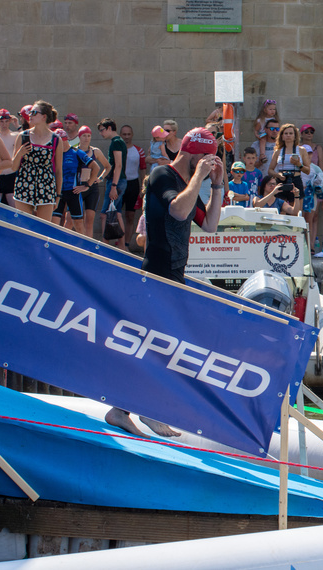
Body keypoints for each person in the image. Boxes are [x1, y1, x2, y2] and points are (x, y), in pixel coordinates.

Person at [105, 127, 224, 439]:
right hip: (157, 273)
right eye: (207, 159)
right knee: (158, 346)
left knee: (159, 345)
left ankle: (127, 409)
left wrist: (218, 185)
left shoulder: (187, 184)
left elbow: (210, 225)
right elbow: (178, 210)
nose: (210, 165)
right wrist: (199, 176)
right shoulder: (162, 175)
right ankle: (137, 409)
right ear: (195, 155)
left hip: (174, 275)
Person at [12, 100, 64, 222]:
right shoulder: (23, 136)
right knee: (23, 227)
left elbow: (58, 171)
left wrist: (57, 196)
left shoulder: (56, 140)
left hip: (46, 187)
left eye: (34, 112)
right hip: (24, 184)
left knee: (43, 229)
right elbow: (13, 167)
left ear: (44, 117)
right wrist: (20, 153)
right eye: (30, 112)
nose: (30, 115)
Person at [51, 129, 100, 236]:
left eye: (62, 141)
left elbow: (95, 167)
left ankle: (84, 249)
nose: (60, 145)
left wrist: (87, 185)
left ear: (66, 140)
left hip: (73, 192)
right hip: (58, 192)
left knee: (78, 224)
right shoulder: (54, 154)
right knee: (53, 223)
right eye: (57, 143)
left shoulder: (77, 153)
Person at [75, 125, 110, 238]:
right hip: (77, 188)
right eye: (84, 135)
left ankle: (88, 248)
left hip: (91, 188)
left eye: (89, 136)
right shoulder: (74, 151)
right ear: (79, 137)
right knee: (72, 219)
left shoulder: (95, 151)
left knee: (89, 221)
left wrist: (100, 178)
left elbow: (108, 166)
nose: (86, 138)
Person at [97, 118, 127, 250]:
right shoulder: (118, 142)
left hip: (117, 181)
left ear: (109, 128)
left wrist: (114, 186)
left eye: (102, 130)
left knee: (105, 214)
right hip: (117, 180)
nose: (101, 133)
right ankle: (121, 246)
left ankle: (105, 247)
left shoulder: (116, 142)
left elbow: (118, 165)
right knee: (117, 213)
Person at [120, 124, 147, 250]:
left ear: (132, 135)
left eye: (128, 134)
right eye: (124, 134)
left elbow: (142, 169)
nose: (126, 137)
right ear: (120, 135)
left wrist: (143, 187)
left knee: (130, 216)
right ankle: (119, 243)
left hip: (133, 184)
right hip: (120, 184)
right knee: (116, 215)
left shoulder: (139, 150)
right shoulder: (117, 149)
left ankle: (126, 244)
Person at [267, 123, 310, 204]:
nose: (288, 135)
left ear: (295, 136)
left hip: (296, 179)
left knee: (296, 211)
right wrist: (278, 175)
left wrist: (298, 164)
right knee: (281, 210)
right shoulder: (278, 151)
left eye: (291, 133)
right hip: (281, 180)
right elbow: (270, 170)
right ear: (282, 136)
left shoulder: (301, 150)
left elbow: (308, 170)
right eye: (286, 133)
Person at [0, 109, 20, 207]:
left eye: (6, 121)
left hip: (10, 175)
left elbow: (27, 139)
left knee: (14, 208)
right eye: (1, 121)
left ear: (10, 121)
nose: (4, 124)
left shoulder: (15, 135)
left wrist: (18, 125)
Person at [254, 99, 279, 164]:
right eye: (270, 109)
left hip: (272, 135)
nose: (272, 111)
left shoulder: (274, 119)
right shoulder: (260, 120)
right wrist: (257, 135)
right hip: (263, 134)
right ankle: (262, 155)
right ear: (265, 110)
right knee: (263, 139)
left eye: (274, 109)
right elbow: (256, 130)